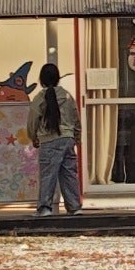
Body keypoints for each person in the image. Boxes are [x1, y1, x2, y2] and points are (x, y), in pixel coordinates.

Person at [29, 59, 82, 215]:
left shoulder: (40, 97)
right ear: (58, 78)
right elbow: (75, 117)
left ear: (41, 80)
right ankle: (74, 207)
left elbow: (33, 120)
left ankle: (45, 207)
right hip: (67, 138)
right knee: (69, 173)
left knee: (48, 174)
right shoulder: (67, 96)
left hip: (48, 140)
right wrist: (77, 137)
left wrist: (34, 137)